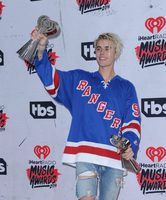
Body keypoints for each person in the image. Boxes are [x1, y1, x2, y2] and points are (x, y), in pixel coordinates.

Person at [31, 30, 141, 200]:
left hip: (113, 157)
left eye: (107, 48)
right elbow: (51, 79)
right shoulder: (79, 79)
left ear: (116, 52)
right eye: (98, 49)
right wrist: (41, 48)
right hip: (85, 154)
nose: (102, 53)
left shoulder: (126, 87)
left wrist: (129, 146)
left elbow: (132, 121)